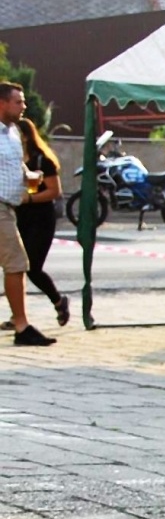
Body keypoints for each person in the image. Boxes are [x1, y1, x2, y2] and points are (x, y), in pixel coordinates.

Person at [0, 82, 52, 346]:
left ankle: (20, 323)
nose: (24, 106)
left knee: (15, 264)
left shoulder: (12, 133)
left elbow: (13, 163)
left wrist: (27, 175)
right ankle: (21, 327)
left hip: (9, 207)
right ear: (3, 103)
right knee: (17, 264)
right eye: (18, 102)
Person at [13, 118, 69, 329]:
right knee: (16, 268)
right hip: (20, 217)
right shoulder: (13, 160)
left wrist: (27, 198)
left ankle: (59, 301)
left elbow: (54, 191)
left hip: (41, 219)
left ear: (25, 136)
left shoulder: (42, 160)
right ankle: (16, 316)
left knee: (33, 268)